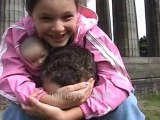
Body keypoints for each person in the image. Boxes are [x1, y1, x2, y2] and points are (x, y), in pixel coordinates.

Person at [0, 0, 145, 120]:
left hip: (91, 101)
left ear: (78, 11)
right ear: (31, 15)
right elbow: (10, 76)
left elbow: (117, 81)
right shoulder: (16, 36)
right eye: (46, 18)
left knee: (125, 104)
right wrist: (49, 100)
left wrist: (69, 114)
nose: (57, 28)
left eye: (67, 17)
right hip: (41, 101)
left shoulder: (92, 34)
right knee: (17, 113)